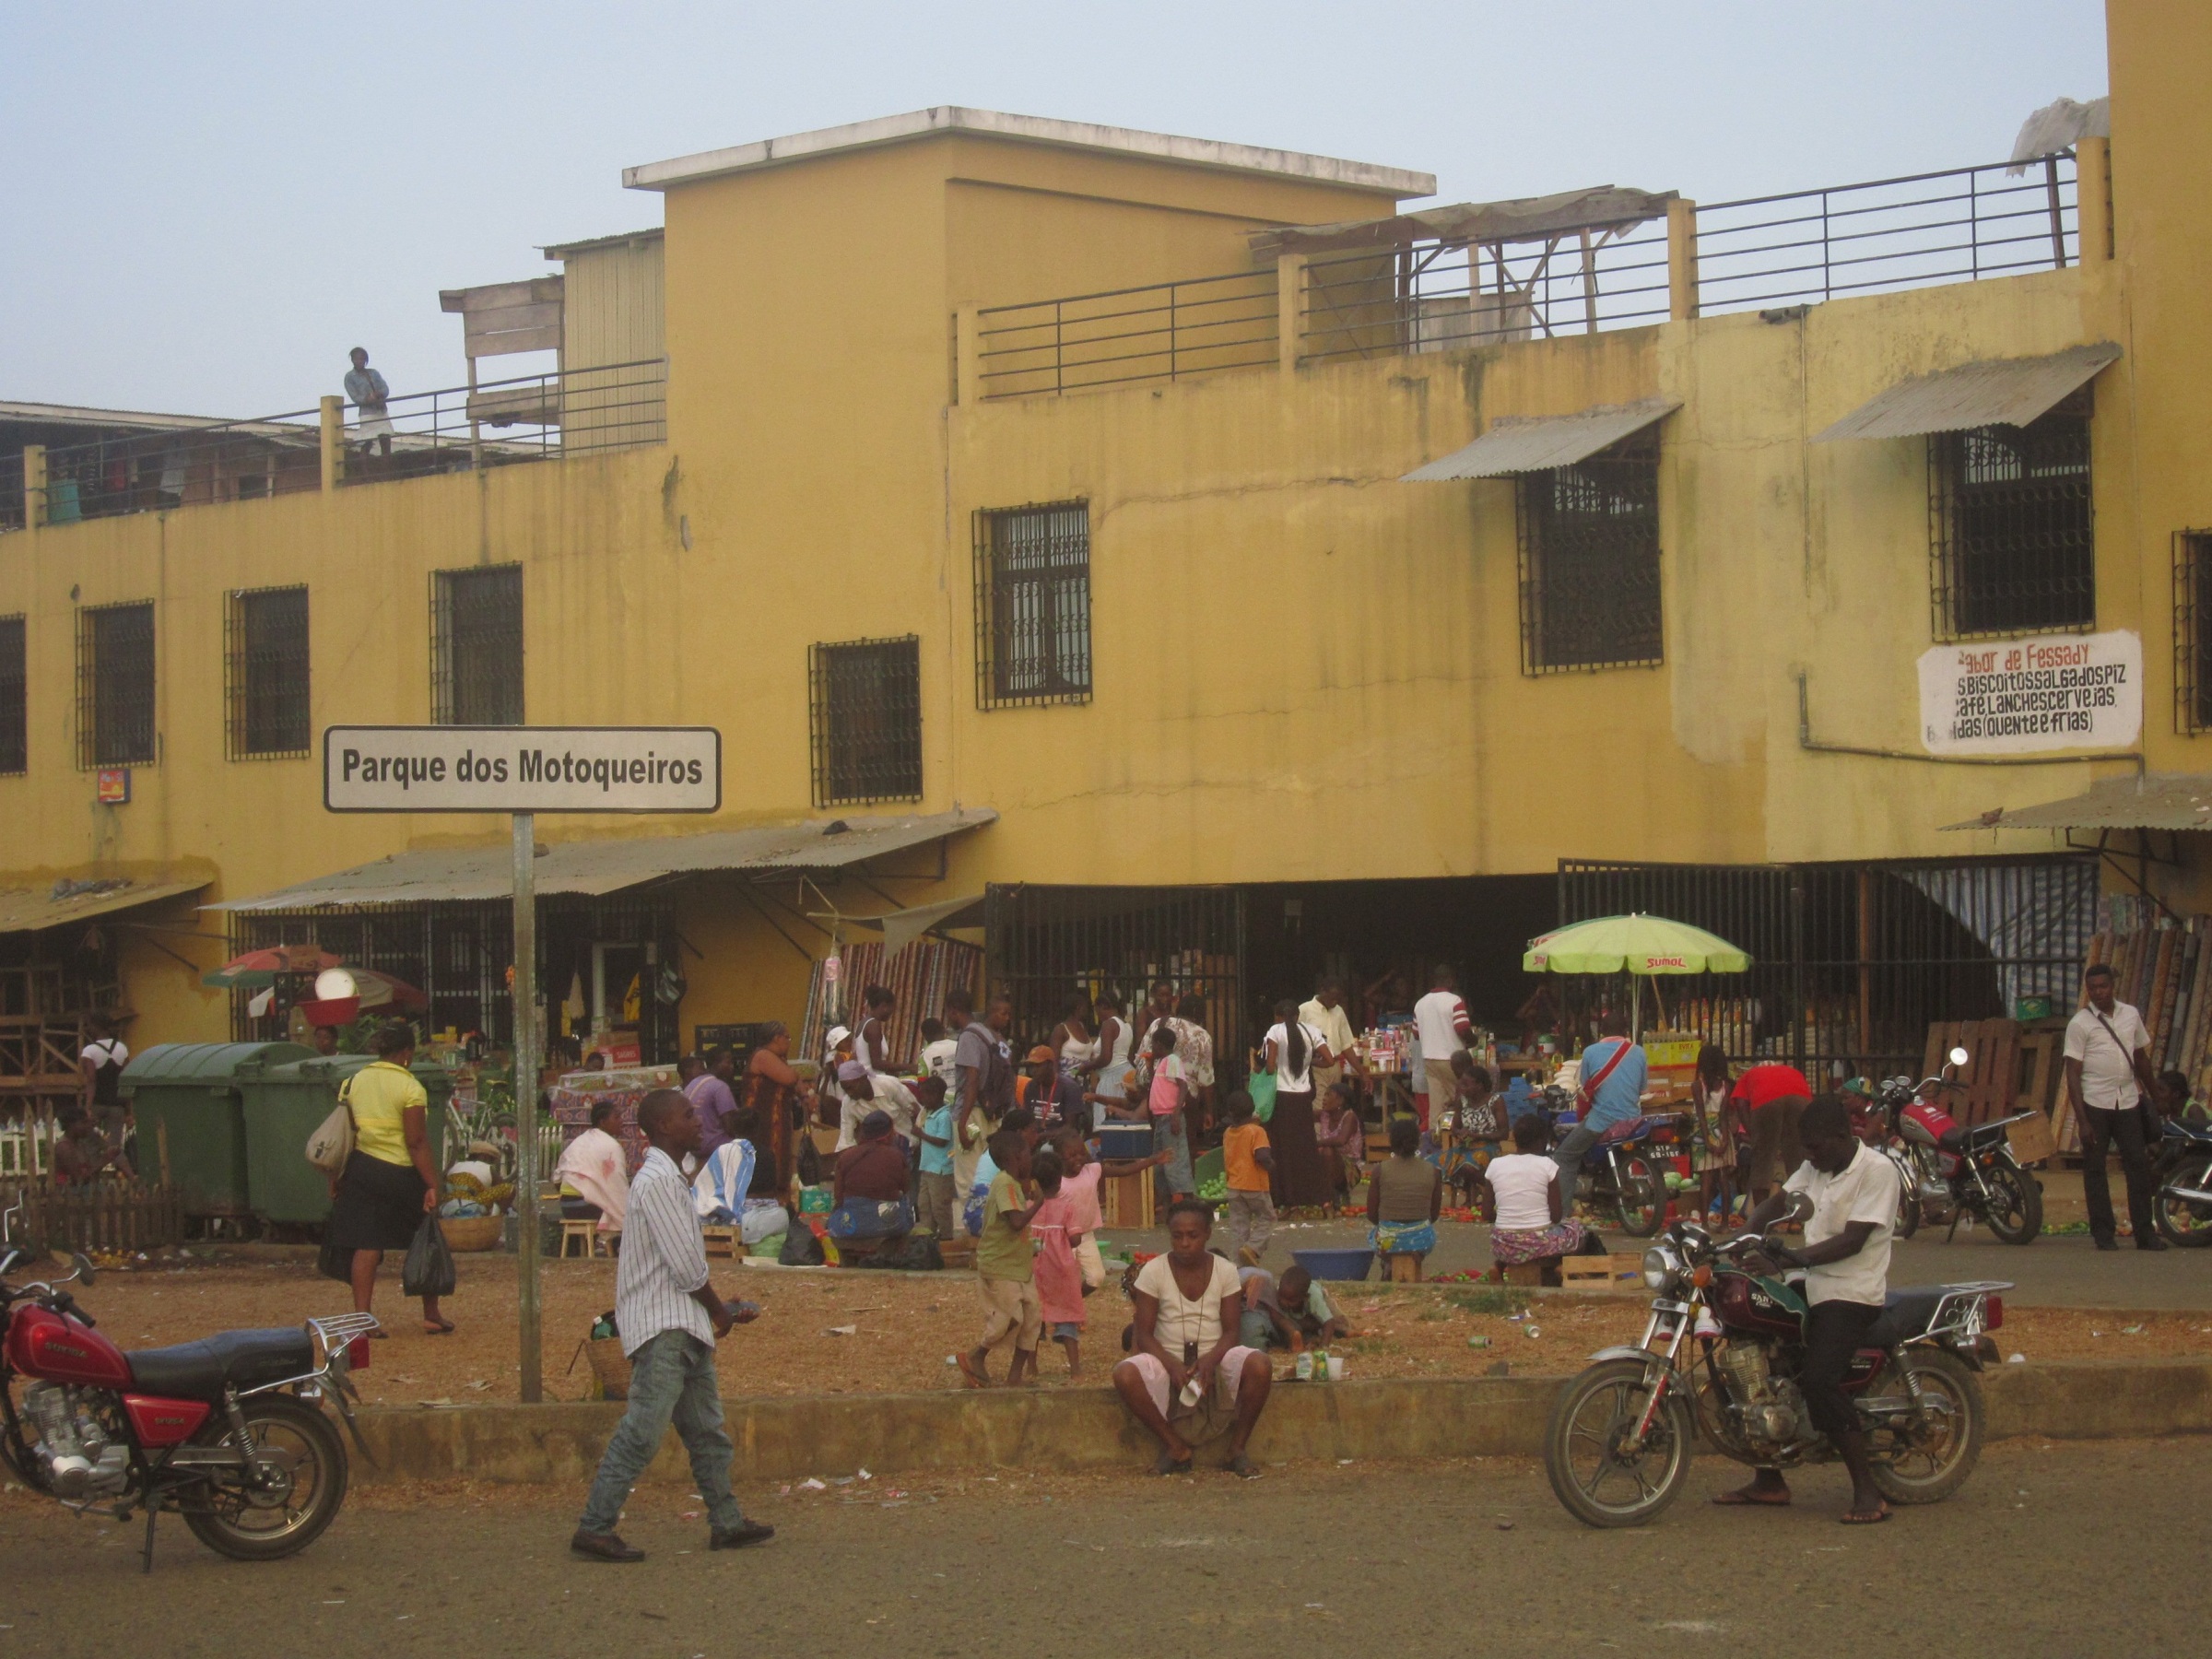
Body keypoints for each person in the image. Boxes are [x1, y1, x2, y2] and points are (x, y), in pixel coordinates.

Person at [571, 1088, 772, 1561]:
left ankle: (726, 1522)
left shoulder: (669, 1179)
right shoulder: (660, 1182)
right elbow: (685, 1268)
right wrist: (719, 1310)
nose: (698, 1120)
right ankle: (595, 1526)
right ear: (664, 1127)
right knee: (643, 1430)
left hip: (682, 1323)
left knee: (706, 1433)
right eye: (687, 1115)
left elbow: (681, 1267)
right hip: (666, 1328)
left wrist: (717, 1308)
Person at [1715, 1095, 1900, 1524]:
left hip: (1852, 1291)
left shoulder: (1877, 1171)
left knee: (1819, 1380)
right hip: (1811, 1284)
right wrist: (1735, 1241)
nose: (1809, 1156)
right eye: (1806, 1149)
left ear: (1843, 1136)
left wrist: (1788, 1259)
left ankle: (1868, 1493)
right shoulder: (1814, 1168)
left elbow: (1853, 1241)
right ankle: (1769, 1480)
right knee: (1755, 1355)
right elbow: (1772, 1206)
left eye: (1815, 1148)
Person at [1112, 1199, 1273, 1477]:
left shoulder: (1224, 1270)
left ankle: (1236, 1449)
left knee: (1260, 1365)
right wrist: (1172, 1365)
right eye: (1177, 1236)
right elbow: (1145, 1334)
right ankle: (1175, 1449)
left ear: (1208, 1233)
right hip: (1166, 1361)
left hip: (1216, 1358)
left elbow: (1232, 1331)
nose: (1185, 1243)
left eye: (1193, 1236)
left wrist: (1210, 1360)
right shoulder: (1153, 1271)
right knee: (1125, 1374)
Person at [324, 1022, 451, 1335]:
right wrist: (432, 1184)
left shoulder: (352, 1082)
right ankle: (431, 1313)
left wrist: (337, 1176)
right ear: (407, 1053)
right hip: (401, 1172)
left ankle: (363, 1319)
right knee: (428, 1237)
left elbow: (346, 1135)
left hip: (362, 1169)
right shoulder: (410, 1088)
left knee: (366, 1244)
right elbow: (416, 1142)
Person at [2064, 962, 2168, 1252]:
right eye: (2093, 988)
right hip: (2095, 1102)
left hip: (2128, 1101)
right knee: (2095, 1169)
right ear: (2088, 990)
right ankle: (2103, 1234)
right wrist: (2082, 1121)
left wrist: (2155, 1095)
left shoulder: (2130, 1015)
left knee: (2137, 1164)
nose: (2099, 992)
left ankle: (2145, 1234)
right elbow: (2072, 1072)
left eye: (2103, 986)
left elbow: (2141, 1058)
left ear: (2113, 986)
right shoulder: (2080, 1024)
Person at [959, 1130, 1041, 1387]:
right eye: (1028, 1153)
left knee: (1031, 1319)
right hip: (1000, 1266)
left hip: (1019, 1267)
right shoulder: (1004, 1183)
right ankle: (977, 1355)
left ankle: (1014, 1376)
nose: (1032, 1157)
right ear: (1017, 1158)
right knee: (1009, 1319)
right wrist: (1039, 1203)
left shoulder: (1013, 1183)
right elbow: (1016, 1221)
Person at [1481, 1114, 1590, 1286]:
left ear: (1514, 1138)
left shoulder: (1495, 1164)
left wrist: (1510, 1221)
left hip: (1503, 1244)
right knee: (1578, 1230)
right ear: (1541, 1141)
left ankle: (1498, 1267)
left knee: (1511, 1235)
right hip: (1539, 1243)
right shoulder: (1547, 1165)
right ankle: (1561, 1265)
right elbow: (1555, 1216)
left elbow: (1486, 1214)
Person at [1053, 1129, 1167, 1290]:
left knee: (1097, 1277)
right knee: (1064, 1276)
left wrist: (1152, 1160)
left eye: (1081, 1153)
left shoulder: (1091, 1170)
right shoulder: (1056, 1180)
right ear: (1059, 1157)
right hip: (1063, 1237)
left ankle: (1074, 1300)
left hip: (1086, 1234)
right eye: (1072, 1156)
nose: (1078, 1158)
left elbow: (1123, 1171)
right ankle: (1065, 1305)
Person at [1550, 1010, 1648, 1194]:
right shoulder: (1639, 1052)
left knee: (1564, 1156)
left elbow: (1586, 1089)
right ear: (1626, 1031)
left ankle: (1562, 1214)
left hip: (1602, 1121)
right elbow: (1642, 1090)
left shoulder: (1590, 1052)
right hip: (1632, 1121)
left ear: (1602, 1031)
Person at [1260, 997, 1334, 1209]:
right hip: (1303, 1096)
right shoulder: (1312, 1031)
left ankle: (1284, 1196)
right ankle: (1309, 1194)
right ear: (1297, 1015)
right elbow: (1329, 1060)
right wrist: (1310, 1062)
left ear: (1279, 1016)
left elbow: (1271, 1067)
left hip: (1282, 1096)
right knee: (1305, 1145)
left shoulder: (1275, 1031)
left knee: (1282, 1146)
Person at [950, 987, 1015, 1200]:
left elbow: (972, 1080)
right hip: (994, 1114)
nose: (1006, 1019)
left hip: (973, 1113)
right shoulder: (999, 1040)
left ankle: (969, 1227)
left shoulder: (970, 1036)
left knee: (967, 1176)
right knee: (990, 1174)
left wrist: (962, 1122)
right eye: (1003, 1014)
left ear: (954, 1011)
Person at [1029, 1147, 1087, 1378]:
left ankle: (1031, 1367)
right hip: (1061, 1273)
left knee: (1032, 1321)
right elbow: (1075, 1238)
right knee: (1067, 1317)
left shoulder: (1028, 1208)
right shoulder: (1067, 1205)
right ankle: (1075, 1369)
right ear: (1059, 1180)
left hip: (1033, 1272)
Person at [1367, 1114, 1441, 1278]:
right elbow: (1433, 1215)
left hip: (1387, 1240)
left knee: (1376, 1233)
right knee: (1425, 1228)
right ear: (1418, 1142)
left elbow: (1372, 1214)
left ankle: (1387, 1261)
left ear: (1391, 1142)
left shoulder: (1380, 1170)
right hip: (1421, 1238)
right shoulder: (1433, 1171)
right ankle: (1417, 1255)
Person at [1732, 1059, 1814, 1208]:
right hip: (1801, 1098)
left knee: (1762, 1162)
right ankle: (1798, 1218)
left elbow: (1741, 1104)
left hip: (1766, 1099)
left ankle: (1761, 1218)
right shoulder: (1791, 1071)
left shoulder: (1748, 1076)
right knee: (1798, 1162)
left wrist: (1753, 1133)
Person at [739, 1023, 807, 1195]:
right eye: (788, 1038)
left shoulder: (777, 1058)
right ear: (777, 1038)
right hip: (763, 1119)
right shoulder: (763, 1055)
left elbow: (797, 1084)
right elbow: (790, 1077)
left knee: (782, 1156)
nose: (789, 1043)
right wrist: (797, 1076)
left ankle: (781, 1195)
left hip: (777, 1118)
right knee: (767, 1155)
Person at [829, 1110, 912, 1244]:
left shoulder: (845, 1157)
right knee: (906, 1204)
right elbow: (905, 1188)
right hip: (889, 1226)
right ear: (887, 1134)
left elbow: (838, 1197)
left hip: (850, 1227)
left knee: (835, 1215)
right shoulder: (897, 1156)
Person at [555, 1097, 631, 1239]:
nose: (622, 1121)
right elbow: (618, 1186)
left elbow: (557, 1179)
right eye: (617, 1117)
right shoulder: (611, 1146)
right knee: (626, 1208)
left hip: (566, 1206)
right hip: (586, 1207)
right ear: (603, 1122)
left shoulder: (579, 1141)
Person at [1412, 967, 1474, 1132]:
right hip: (1452, 1060)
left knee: (1437, 1105)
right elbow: (1463, 1029)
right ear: (1450, 980)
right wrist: (1472, 1040)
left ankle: (1435, 1139)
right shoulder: (1455, 1001)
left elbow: (1416, 1034)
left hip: (1429, 1060)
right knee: (1463, 1100)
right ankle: (1464, 1134)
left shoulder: (1420, 1003)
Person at [1237, 1262, 1348, 1350]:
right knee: (1302, 1324)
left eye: (1290, 1300)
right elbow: (1278, 1318)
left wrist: (1323, 1347)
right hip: (1297, 1314)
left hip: (1321, 1304)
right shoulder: (1278, 1294)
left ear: (1304, 1297)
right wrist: (1293, 1333)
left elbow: (1329, 1322)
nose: (1284, 1302)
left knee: (1335, 1322)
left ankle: (1346, 1331)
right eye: (1281, 1297)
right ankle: (1307, 1334)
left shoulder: (1313, 1297)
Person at [1219, 1088, 1276, 1265]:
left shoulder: (1228, 1132)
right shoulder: (1256, 1131)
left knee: (1238, 1227)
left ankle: (1236, 1264)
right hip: (1255, 1185)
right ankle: (1253, 1248)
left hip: (1234, 1186)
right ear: (1253, 1110)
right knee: (1267, 1218)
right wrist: (1272, 1166)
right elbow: (1262, 1156)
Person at [1300, 976, 1367, 1121]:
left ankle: (1330, 1140)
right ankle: (1319, 1141)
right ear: (1322, 991)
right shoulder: (1304, 1010)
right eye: (1332, 998)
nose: (1335, 1002)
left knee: (1335, 1108)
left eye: (1338, 999)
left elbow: (1346, 1045)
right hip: (1316, 1067)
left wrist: (1362, 1073)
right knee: (1319, 1107)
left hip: (1335, 1066)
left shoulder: (1339, 1011)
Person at [1143, 1021, 1195, 1202]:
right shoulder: (1162, 1063)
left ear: (1158, 1044)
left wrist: (1175, 1115)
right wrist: (1150, 1068)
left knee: (1174, 1160)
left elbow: (1183, 1087)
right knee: (1160, 1161)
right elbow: (1158, 1087)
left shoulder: (1172, 1061)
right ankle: (1166, 1200)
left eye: (1153, 1044)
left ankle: (1185, 1198)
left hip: (1169, 1116)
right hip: (1160, 1118)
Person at [1691, 1043, 1737, 1230]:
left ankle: (1704, 1224)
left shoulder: (1697, 1086)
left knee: (1706, 1180)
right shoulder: (1726, 1085)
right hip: (1721, 1130)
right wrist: (1724, 1140)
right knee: (1723, 1178)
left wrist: (1708, 1140)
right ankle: (1725, 1223)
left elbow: (1701, 1116)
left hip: (1702, 1134)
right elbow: (1723, 1115)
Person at [78, 1014, 130, 1153]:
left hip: (97, 1103)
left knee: (88, 1142)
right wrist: (128, 1107)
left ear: (95, 1027)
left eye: (90, 1026)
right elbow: (126, 1077)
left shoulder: (89, 1050)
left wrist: (88, 1107)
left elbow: (91, 1079)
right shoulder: (122, 1048)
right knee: (114, 1146)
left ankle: (94, 1172)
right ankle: (128, 1174)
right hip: (117, 1104)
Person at [913, 1077, 958, 1238]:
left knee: (940, 1206)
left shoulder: (944, 1116)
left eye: (926, 1095)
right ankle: (927, 1236)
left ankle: (946, 1237)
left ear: (938, 1095)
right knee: (924, 1205)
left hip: (941, 1169)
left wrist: (921, 1134)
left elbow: (942, 1141)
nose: (922, 1099)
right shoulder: (928, 1113)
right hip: (927, 1166)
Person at [1315, 1081, 1367, 1212]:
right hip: (1328, 1164)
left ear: (1340, 1100)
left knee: (1327, 1151)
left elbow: (1341, 1140)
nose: (1324, 1098)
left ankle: (1336, 1193)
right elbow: (1301, 1116)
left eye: (1329, 1095)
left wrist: (1317, 1144)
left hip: (1349, 1169)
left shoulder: (1349, 1117)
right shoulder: (1324, 1115)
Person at [684, 1047, 740, 1160]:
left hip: (694, 1148)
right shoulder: (720, 1087)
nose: (732, 1067)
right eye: (728, 1062)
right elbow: (730, 1126)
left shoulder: (693, 1083)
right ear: (716, 1064)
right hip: (717, 1149)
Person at [1019, 1044, 1089, 1135]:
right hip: (1036, 1137)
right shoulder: (1031, 1086)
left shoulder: (1069, 1087)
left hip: (1060, 1139)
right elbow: (1027, 1120)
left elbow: (1070, 1127)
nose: (1033, 1070)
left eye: (1038, 1066)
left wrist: (1042, 1136)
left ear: (1050, 1065)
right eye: (1031, 1066)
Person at [1086, 990, 1135, 1114]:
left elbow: (1106, 1057)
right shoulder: (1127, 1026)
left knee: (1106, 1120)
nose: (1096, 1014)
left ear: (1102, 1006)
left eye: (1096, 1009)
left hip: (1112, 1077)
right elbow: (1129, 1055)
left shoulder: (1109, 1024)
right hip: (1126, 1074)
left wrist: (1086, 1066)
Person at [344, 347, 394, 459]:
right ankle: (365, 474)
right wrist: (368, 398)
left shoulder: (373, 373)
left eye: (362, 359)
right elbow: (355, 397)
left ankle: (386, 471)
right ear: (352, 360)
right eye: (357, 359)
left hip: (381, 411)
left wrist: (379, 394)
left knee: (386, 442)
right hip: (367, 413)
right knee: (367, 443)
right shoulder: (350, 377)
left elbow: (385, 388)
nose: (359, 361)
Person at [51, 1107, 119, 1186]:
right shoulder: (64, 1147)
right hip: (69, 1193)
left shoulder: (79, 1144)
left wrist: (106, 1156)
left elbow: (89, 1172)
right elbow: (79, 1180)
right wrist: (103, 1161)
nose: (88, 1126)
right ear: (71, 1125)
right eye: (84, 1122)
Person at [1048, 994, 1095, 1080]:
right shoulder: (1061, 1030)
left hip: (1085, 1081)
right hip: (1068, 1079)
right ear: (1078, 1008)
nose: (1087, 1010)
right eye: (1085, 1007)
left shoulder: (1082, 1027)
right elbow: (1054, 1060)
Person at [853, 984, 898, 1075]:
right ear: (884, 1006)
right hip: (873, 1079)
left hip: (866, 1076)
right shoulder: (873, 1025)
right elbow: (877, 1064)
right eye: (892, 1007)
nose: (892, 1012)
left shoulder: (865, 1022)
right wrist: (909, 1067)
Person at [917, 1017, 959, 1091]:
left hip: (939, 1099)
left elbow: (922, 1083)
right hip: (960, 1097)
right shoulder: (958, 1046)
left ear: (925, 1036)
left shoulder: (925, 1053)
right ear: (943, 1030)